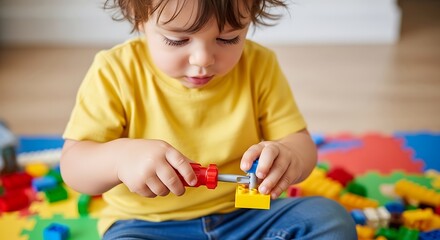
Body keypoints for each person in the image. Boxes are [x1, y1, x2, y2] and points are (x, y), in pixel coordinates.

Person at [60, 0, 357, 239]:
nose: (203, 59)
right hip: (144, 225)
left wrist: (288, 156)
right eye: (177, 40)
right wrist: (119, 158)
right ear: (140, 20)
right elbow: (74, 167)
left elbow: (301, 143)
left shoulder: (260, 66)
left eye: (228, 39)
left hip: (247, 215)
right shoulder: (114, 72)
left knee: (328, 219)